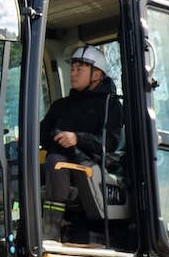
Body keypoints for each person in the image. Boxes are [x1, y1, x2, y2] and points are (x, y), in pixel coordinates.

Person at [39, 45, 123, 229]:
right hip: (61, 161)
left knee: (55, 162)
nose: (73, 74)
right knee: (25, 167)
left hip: (90, 163)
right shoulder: (61, 106)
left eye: (80, 69)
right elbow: (42, 134)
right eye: (72, 69)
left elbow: (110, 142)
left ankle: (51, 229)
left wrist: (77, 139)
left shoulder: (110, 105)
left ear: (96, 74)